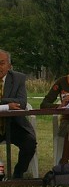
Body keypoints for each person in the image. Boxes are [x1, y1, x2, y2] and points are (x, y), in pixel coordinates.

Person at [0, 49, 37, 179]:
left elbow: (22, 102)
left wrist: (2, 102)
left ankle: (18, 173)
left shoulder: (18, 78)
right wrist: (8, 105)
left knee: (30, 142)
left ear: (9, 66)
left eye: (2, 63)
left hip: (14, 123)